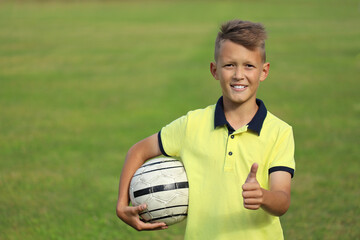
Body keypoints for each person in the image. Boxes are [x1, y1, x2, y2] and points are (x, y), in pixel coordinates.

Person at [116, 19, 295, 240]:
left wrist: (263, 197)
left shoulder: (280, 132)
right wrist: (121, 204)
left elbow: (282, 199)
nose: (239, 74)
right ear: (215, 70)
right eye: (229, 65)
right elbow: (138, 151)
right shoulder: (192, 124)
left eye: (249, 65)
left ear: (263, 71)